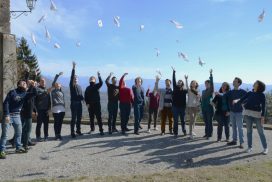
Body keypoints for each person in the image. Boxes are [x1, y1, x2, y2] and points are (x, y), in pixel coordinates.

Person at [0, 77, 37, 159]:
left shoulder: (25, 94)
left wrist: (33, 85)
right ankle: (2, 151)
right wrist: (6, 115)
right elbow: (6, 103)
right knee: (4, 135)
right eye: (23, 83)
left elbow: (34, 94)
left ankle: (18, 147)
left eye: (25, 83)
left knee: (18, 133)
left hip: (17, 116)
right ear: (18, 85)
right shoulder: (12, 92)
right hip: (9, 115)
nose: (25, 84)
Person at [233, 80, 268, 155]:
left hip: (257, 115)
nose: (254, 83)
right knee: (249, 131)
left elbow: (264, 106)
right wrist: (236, 100)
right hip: (248, 114)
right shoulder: (250, 93)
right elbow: (242, 99)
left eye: (256, 83)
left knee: (261, 131)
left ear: (258, 86)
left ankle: (265, 148)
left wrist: (262, 117)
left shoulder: (262, 95)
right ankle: (249, 147)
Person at [226, 77, 247, 149]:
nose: (233, 82)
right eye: (233, 81)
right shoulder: (230, 92)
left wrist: (238, 100)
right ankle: (234, 140)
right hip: (232, 112)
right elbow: (224, 96)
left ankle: (241, 143)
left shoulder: (243, 92)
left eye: (235, 81)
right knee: (234, 127)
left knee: (240, 128)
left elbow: (247, 98)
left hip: (239, 113)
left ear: (239, 83)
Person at [20, 71, 38, 150]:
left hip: (27, 111)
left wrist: (34, 75)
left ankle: (26, 141)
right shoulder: (26, 91)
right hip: (26, 112)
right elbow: (29, 83)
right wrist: (27, 75)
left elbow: (33, 102)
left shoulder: (28, 90)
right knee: (27, 129)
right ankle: (25, 143)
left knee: (24, 128)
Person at [172, 68, 188, 137]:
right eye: (178, 81)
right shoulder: (175, 88)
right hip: (175, 107)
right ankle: (175, 132)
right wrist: (174, 72)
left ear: (182, 83)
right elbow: (173, 80)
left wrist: (186, 79)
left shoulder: (184, 90)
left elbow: (187, 87)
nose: (179, 82)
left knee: (183, 120)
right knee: (175, 121)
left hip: (182, 107)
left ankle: (184, 131)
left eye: (180, 82)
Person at [69, 62, 84, 138]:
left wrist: (84, 100)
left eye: (76, 78)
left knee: (79, 118)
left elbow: (81, 96)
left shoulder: (79, 86)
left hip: (79, 104)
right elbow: (71, 77)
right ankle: (72, 132)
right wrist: (73, 68)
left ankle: (78, 130)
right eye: (74, 78)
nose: (75, 79)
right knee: (74, 118)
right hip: (74, 103)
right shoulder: (72, 86)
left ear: (78, 79)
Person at [50, 72, 65, 140]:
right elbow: (53, 83)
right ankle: (56, 135)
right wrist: (58, 75)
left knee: (60, 122)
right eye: (57, 84)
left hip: (62, 109)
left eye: (59, 84)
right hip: (56, 108)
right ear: (55, 86)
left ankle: (59, 134)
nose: (58, 84)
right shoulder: (53, 91)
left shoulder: (61, 92)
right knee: (56, 122)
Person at [185, 75, 201, 139]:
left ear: (196, 84)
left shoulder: (197, 91)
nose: (193, 84)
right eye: (192, 83)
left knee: (194, 120)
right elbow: (186, 85)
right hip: (190, 106)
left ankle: (192, 131)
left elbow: (198, 99)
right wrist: (186, 79)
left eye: (194, 83)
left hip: (195, 107)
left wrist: (198, 98)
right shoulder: (189, 90)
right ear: (191, 84)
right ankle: (190, 133)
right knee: (191, 120)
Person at [35, 77, 51, 142]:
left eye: (44, 81)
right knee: (39, 124)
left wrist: (49, 109)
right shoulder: (37, 89)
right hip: (39, 109)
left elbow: (49, 100)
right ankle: (38, 136)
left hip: (46, 110)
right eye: (42, 81)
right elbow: (39, 97)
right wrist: (46, 92)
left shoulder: (47, 90)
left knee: (46, 124)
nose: (43, 82)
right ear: (39, 82)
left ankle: (46, 136)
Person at [201, 69, 214, 140]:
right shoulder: (203, 91)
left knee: (209, 122)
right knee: (206, 122)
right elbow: (202, 100)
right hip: (204, 109)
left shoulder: (210, 90)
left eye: (207, 83)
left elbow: (212, 85)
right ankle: (206, 133)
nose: (206, 84)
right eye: (205, 83)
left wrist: (211, 76)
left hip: (209, 109)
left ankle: (209, 134)